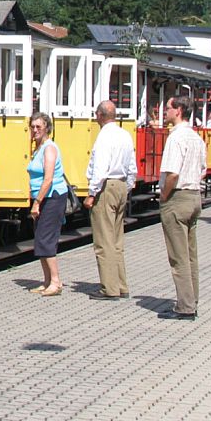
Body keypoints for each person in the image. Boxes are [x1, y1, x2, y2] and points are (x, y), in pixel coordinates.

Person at [158, 95, 207, 321]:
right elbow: (203, 169)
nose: (164, 111)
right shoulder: (196, 137)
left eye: (167, 108)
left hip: (177, 198)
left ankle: (185, 307)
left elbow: (172, 173)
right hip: (194, 196)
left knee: (178, 256)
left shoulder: (175, 138)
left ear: (178, 110)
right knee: (190, 255)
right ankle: (192, 299)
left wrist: (164, 196)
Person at [83, 100, 137, 300]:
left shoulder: (104, 136)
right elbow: (132, 167)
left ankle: (109, 288)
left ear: (100, 115)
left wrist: (92, 193)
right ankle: (121, 285)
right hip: (121, 185)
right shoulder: (124, 134)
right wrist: (127, 187)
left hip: (106, 187)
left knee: (104, 240)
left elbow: (101, 168)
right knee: (116, 240)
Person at [27, 112, 68, 296]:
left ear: (47, 129)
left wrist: (37, 203)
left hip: (52, 198)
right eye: (32, 126)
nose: (35, 130)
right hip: (44, 198)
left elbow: (48, 179)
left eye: (39, 127)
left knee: (46, 239)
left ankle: (56, 282)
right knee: (40, 239)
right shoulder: (38, 147)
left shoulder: (49, 148)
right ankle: (47, 281)